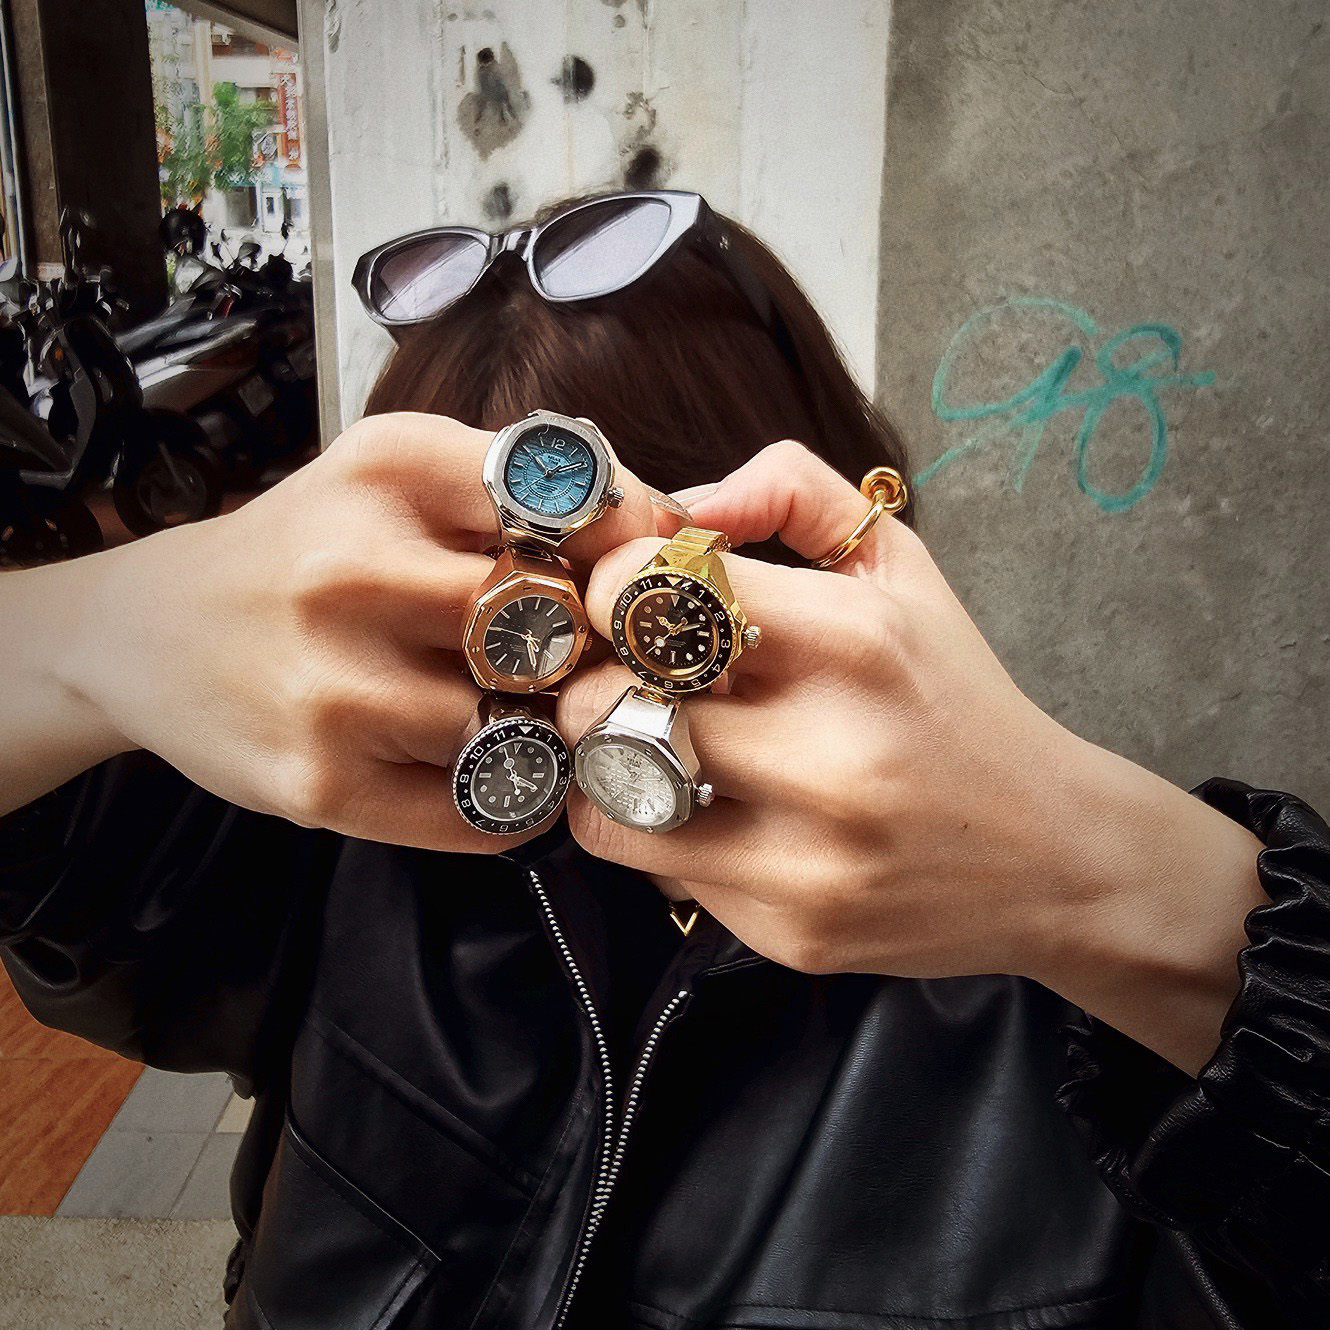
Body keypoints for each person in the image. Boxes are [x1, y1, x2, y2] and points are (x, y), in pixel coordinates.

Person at [1, 190, 1327, 1330]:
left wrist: (1104, 882)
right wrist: (101, 632)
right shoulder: (342, 842)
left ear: (792, 549)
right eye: (480, 627)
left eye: (645, 614)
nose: (562, 694)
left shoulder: (1076, 1005)